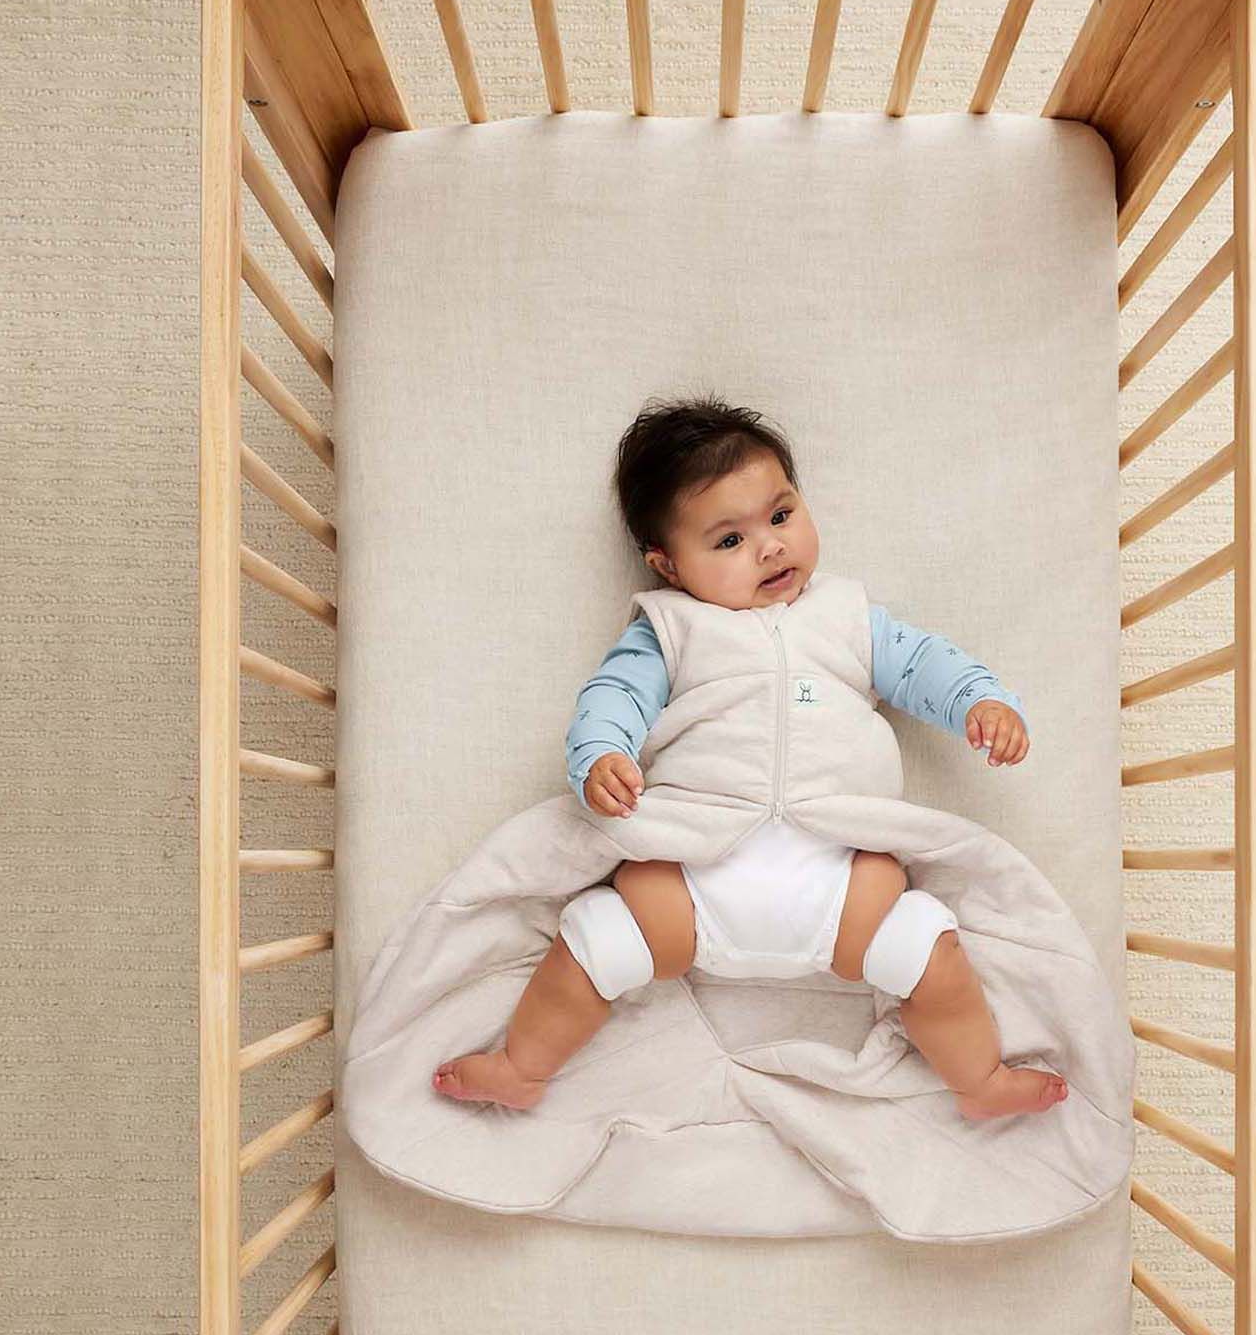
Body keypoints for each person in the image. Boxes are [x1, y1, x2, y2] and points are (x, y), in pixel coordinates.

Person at [432, 395, 1069, 1122]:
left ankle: (979, 1080)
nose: (769, 547)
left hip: (841, 884)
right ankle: (522, 1067)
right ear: (669, 566)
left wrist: (980, 701)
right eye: (729, 540)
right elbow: (614, 695)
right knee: (589, 944)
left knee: (932, 951)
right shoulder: (670, 631)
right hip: (691, 880)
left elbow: (924, 664)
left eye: (781, 515)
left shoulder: (846, 618)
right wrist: (602, 752)